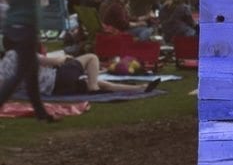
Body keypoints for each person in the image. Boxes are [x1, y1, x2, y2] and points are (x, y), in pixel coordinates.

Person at [0, 0, 52, 121]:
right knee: (21, 73)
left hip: (11, 28)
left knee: (31, 70)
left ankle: (41, 114)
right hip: (26, 26)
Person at [0, 49, 147, 97]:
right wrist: (64, 57)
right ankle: (93, 88)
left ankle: (139, 89)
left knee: (101, 83)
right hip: (58, 78)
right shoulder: (18, 53)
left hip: (54, 92)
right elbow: (56, 62)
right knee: (91, 57)